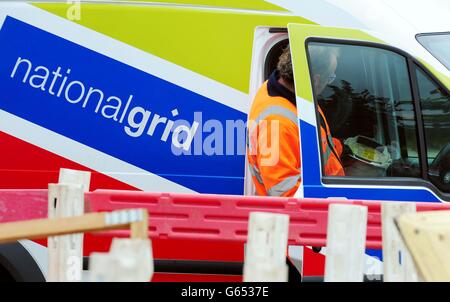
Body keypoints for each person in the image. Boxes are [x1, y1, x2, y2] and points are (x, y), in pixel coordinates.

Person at [247, 45, 344, 197]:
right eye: (330, 77)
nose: (329, 83)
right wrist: (330, 201)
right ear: (316, 80)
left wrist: (343, 149)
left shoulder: (293, 94)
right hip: (307, 214)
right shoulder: (278, 124)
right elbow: (285, 192)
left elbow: (310, 145)